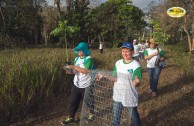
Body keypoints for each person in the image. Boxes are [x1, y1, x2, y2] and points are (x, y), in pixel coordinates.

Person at [97, 42, 142, 126]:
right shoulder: (118, 63)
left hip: (129, 95)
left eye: (127, 51)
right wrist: (104, 76)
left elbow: (137, 78)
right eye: (123, 51)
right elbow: (115, 78)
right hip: (118, 94)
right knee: (116, 116)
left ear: (132, 52)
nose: (124, 53)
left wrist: (136, 81)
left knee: (134, 115)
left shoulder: (136, 65)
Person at [61, 42, 94, 125]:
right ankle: (71, 118)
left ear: (85, 50)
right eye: (78, 49)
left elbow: (86, 71)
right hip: (76, 84)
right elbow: (76, 71)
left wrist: (74, 67)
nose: (79, 51)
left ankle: (91, 115)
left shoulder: (88, 59)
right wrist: (69, 71)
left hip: (86, 85)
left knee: (88, 101)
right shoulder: (77, 59)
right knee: (73, 101)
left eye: (80, 49)